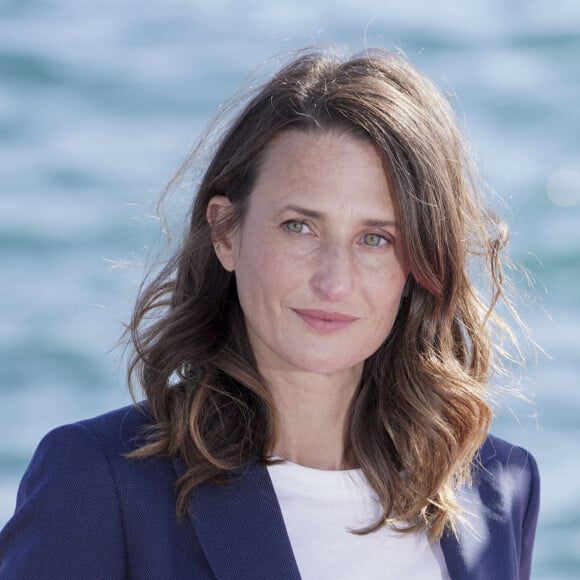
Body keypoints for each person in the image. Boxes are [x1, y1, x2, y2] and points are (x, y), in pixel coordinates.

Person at [0, 48, 539, 579]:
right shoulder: (100, 481)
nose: (334, 281)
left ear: (420, 262)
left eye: (375, 238)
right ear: (225, 232)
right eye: (299, 226)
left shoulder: (499, 487)